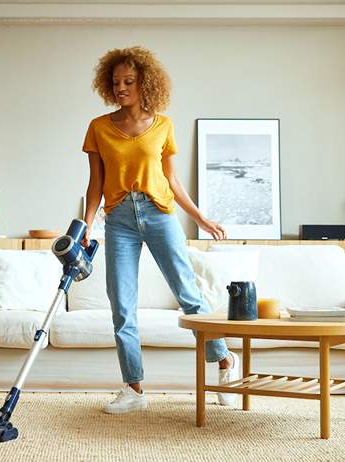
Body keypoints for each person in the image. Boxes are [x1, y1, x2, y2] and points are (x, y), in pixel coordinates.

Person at [81, 46, 240, 414]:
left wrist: (199, 218)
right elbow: (94, 183)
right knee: (121, 304)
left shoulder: (163, 125)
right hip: (118, 218)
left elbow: (171, 179)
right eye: (116, 82)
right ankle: (133, 389)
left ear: (144, 83)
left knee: (189, 293)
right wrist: (86, 227)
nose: (121, 88)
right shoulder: (99, 128)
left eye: (129, 82)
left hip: (159, 213)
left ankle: (225, 362)